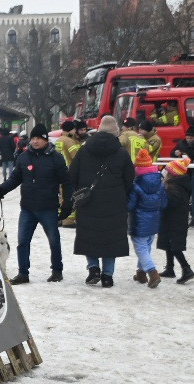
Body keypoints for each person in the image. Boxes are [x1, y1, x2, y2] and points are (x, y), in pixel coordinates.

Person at [0, 124, 71, 284]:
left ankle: (57, 270)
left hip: (48, 207)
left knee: (54, 240)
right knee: (23, 241)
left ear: (45, 140)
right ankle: (23, 273)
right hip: (27, 208)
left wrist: (67, 203)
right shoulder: (23, 157)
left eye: (39, 139)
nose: (35, 142)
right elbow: (15, 179)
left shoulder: (56, 158)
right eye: (33, 138)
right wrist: (2, 189)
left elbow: (66, 182)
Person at [68, 115, 135, 288]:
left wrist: (79, 191)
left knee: (89, 235)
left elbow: (73, 173)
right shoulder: (121, 152)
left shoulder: (84, 149)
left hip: (89, 201)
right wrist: (121, 194)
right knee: (110, 238)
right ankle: (107, 275)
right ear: (116, 132)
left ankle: (93, 269)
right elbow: (129, 178)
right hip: (114, 202)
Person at [127, 148, 168, 288]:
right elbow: (164, 203)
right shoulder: (160, 184)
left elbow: (130, 206)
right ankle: (141, 273)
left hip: (139, 221)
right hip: (154, 221)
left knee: (141, 248)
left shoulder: (136, 185)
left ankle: (152, 272)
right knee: (147, 246)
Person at [157, 157, 194, 284]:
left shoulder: (174, 187)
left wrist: (161, 197)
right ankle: (170, 268)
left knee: (174, 246)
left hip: (175, 219)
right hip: (174, 218)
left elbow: (171, 203)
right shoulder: (178, 184)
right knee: (169, 243)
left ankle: (187, 269)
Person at [54, 122, 83, 228]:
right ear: (70, 130)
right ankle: (68, 219)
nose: (75, 131)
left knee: (60, 196)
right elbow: (76, 157)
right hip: (69, 172)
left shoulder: (58, 140)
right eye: (74, 129)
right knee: (69, 195)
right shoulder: (70, 141)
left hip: (58, 172)